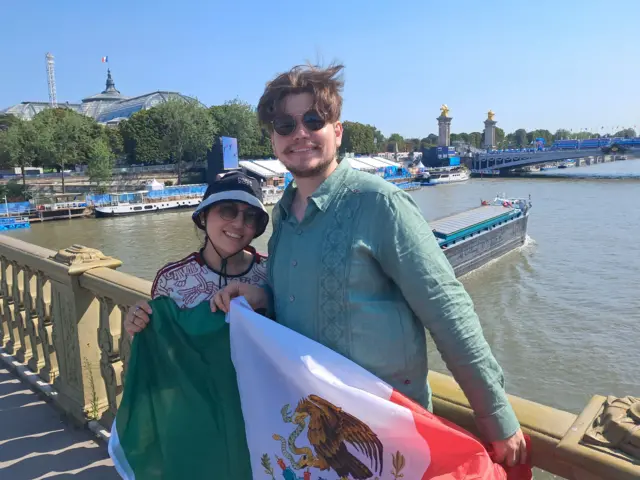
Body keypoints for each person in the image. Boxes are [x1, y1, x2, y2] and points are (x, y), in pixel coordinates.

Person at [212, 63, 528, 467]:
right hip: (318, 434)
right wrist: (261, 295)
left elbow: (449, 313)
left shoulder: (380, 204)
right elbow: (299, 304)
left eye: (313, 119)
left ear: (337, 131)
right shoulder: (284, 216)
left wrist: (495, 416)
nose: (300, 134)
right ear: (273, 139)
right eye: (285, 125)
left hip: (385, 435)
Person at [124, 171, 270, 336]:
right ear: (203, 215)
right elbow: (162, 342)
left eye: (251, 216)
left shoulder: (272, 272)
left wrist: (266, 299)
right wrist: (138, 321)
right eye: (228, 210)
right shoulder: (172, 280)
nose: (238, 224)